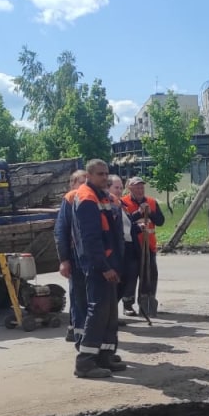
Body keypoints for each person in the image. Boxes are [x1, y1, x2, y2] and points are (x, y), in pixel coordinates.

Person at [69, 159, 126, 379]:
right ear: (89, 176)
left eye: (106, 174)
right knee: (98, 311)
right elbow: (90, 239)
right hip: (98, 266)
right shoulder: (86, 198)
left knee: (109, 312)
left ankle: (104, 355)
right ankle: (85, 362)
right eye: (100, 174)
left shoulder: (101, 196)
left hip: (109, 264)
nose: (105, 178)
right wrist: (103, 266)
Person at [119, 176, 165, 316]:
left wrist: (150, 213)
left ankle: (146, 303)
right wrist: (138, 213)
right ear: (130, 188)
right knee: (130, 275)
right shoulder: (123, 202)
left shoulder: (151, 202)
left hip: (148, 245)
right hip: (131, 246)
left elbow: (161, 221)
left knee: (149, 275)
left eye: (141, 187)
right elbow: (124, 222)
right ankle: (128, 305)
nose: (140, 190)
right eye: (137, 187)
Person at [55, 168, 88, 342]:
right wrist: (64, 259)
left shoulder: (90, 197)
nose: (84, 185)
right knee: (78, 296)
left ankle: (73, 330)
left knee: (80, 296)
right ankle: (79, 336)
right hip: (76, 257)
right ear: (72, 184)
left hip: (88, 257)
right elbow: (61, 233)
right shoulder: (71, 198)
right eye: (81, 182)